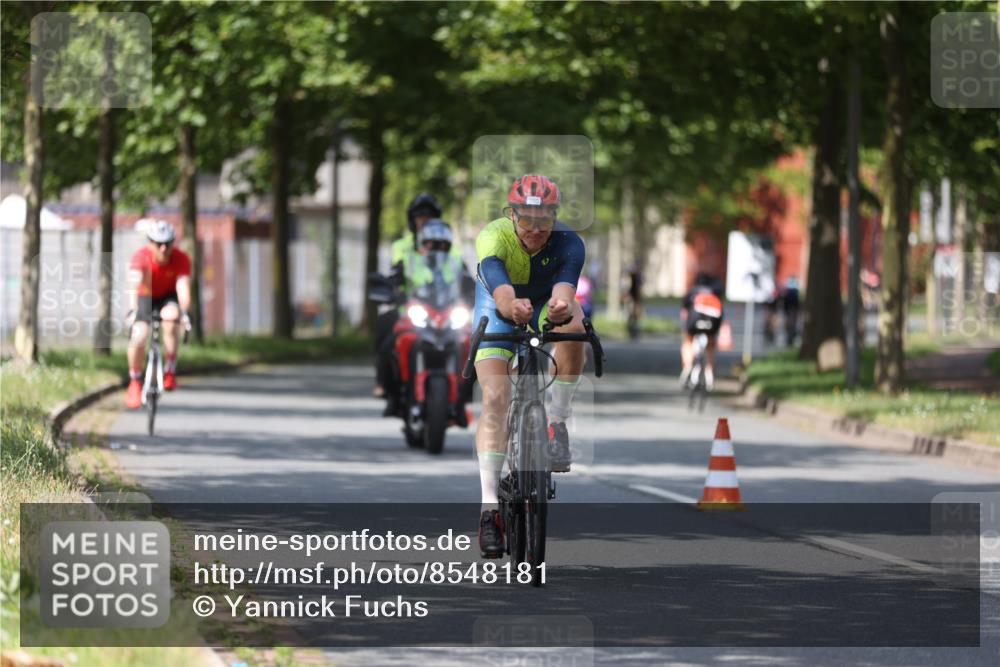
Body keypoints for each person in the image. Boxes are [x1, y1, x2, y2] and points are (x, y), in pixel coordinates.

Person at [472, 174, 586, 558]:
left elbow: (565, 290)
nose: (535, 230)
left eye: (544, 220)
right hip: (497, 306)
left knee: (575, 326)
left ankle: (558, 422)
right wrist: (510, 307)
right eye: (526, 219)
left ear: (556, 216)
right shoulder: (493, 236)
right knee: (496, 396)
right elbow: (501, 289)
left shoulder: (569, 242)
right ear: (511, 214)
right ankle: (489, 510)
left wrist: (560, 308)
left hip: (542, 305)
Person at [377, 219, 473, 417]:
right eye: (430, 244)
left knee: (475, 347)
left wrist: (477, 296)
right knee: (388, 346)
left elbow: (471, 284)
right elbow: (393, 281)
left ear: (448, 246)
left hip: (447, 315)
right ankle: (392, 395)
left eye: (441, 245)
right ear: (421, 244)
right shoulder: (409, 262)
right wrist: (392, 294)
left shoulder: (456, 263)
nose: (435, 248)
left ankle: (464, 398)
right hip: (417, 314)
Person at [373, 193, 444, 401]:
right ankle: (383, 383)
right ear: (412, 220)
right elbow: (396, 272)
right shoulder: (402, 246)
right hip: (410, 309)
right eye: (420, 217)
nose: (424, 221)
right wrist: (394, 289)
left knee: (472, 340)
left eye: (429, 217)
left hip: (443, 310)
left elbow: (461, 272)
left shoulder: (449, 247)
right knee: (386, 333)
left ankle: (468, 390)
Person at [124, 220, 192, 409]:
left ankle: (170, 369)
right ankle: (135, 380)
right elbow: (133, 285)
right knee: (140, 334)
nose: (163, 248)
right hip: (145, 296)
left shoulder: (181, 258)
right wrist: (133, 311)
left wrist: (184, 313)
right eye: (158, 243)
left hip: (167, 296)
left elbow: (183, 288)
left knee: (171, 319)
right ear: (150, 243)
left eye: (168, 243)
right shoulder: (141, 257)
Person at [679, 272, 724, 391]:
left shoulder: (691, 293)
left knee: (688, 342)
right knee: (710, 347)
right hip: (711, 325)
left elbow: (684, 314)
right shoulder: (714, 293)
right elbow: (720, 313)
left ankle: (688, 366)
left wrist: (686, 330)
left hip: (693, 324)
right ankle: (709, 373)